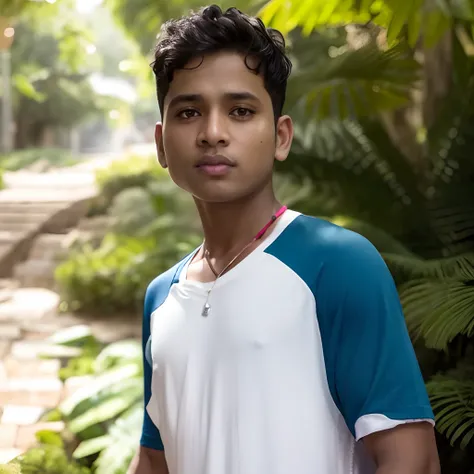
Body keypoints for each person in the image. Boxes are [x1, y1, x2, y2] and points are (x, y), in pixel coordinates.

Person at [128, 5, 440, 474]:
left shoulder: (336, 264)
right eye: (189, 111)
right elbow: (155, 458)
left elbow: (410, 459)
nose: (213, 133)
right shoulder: (161, 297)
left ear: (280, 136)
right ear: (161, 143)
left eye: (240, 111)